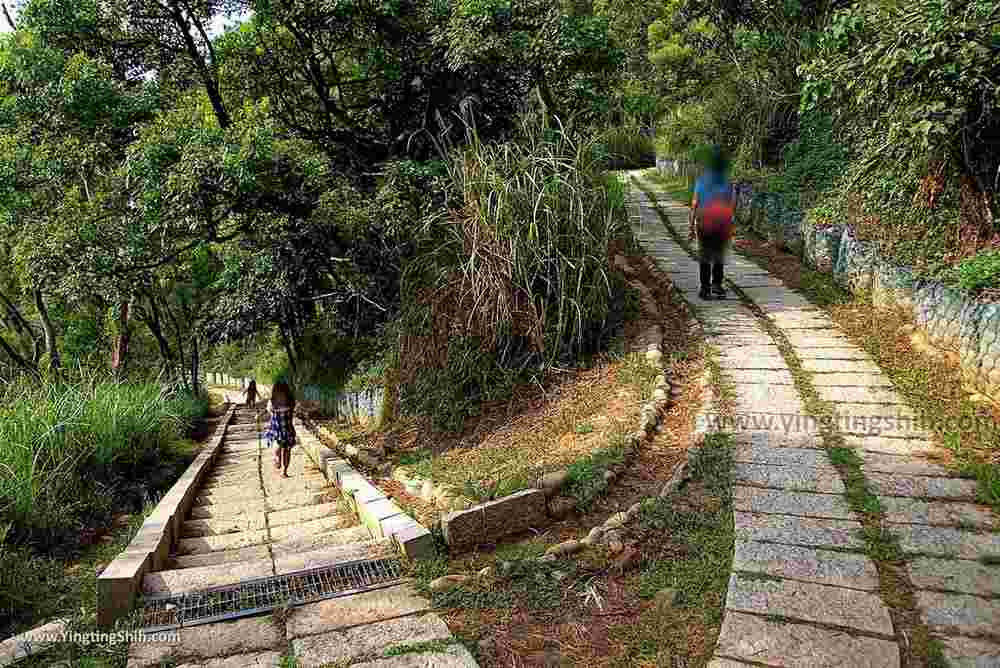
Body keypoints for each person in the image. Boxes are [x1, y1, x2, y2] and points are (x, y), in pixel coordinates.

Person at [688, 145, 736, 300]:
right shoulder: (727, 182)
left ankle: (705, 288)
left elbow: (695, 204)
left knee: (705, 255)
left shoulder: (701, 181)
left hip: (705, 222)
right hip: (722, 222)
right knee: (718, 255)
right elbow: (731, 204)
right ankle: (716, 285)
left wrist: (691, 225)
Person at [265, 380, 296, 477]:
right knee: (278, 447)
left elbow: (269, 411)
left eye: (282, 393)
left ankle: (284, 470)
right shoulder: (273, 402)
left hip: (287, 430)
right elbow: (269, 411)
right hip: (278, 430)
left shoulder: (290, 402)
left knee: (286, 451)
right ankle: (277, 459)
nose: (280, 396)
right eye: (279, 393)